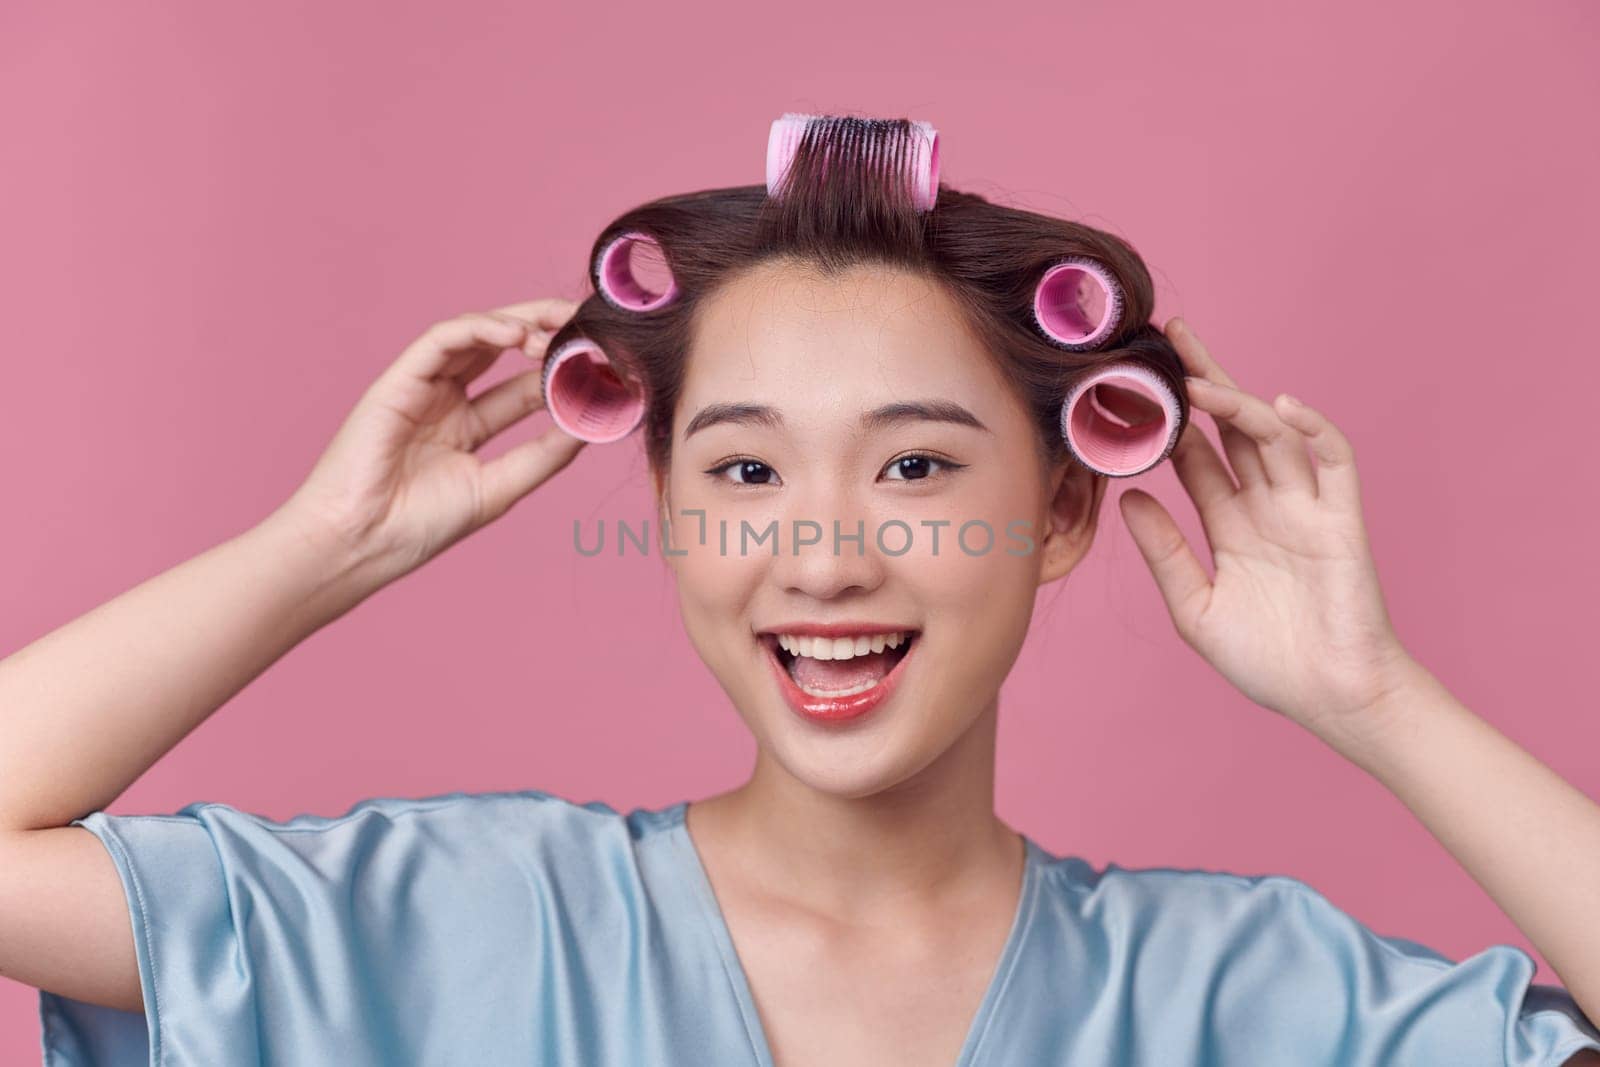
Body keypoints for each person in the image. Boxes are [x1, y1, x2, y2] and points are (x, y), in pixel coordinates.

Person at [3, 115, 1599, 1066]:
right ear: (670, 509)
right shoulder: (473, 921)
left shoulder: (1244, 998)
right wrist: (324, 546)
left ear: (1059, 512)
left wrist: (1373, 698)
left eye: (914, 469)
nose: (821, 556)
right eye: (747, 473)